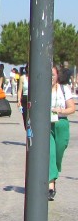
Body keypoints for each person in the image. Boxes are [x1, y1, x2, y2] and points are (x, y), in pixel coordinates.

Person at [49, 65, 75, 200]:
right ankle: (50, 186)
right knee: (50, 153)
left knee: (58, 153)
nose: (51, 77)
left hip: (61, 123)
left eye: (53, 75)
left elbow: (72, 109)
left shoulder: (64, 89)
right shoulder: (41, 89)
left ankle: (53, 174)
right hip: (46, 125)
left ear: (58, 76)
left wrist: (60, 111)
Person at [17, 66, 29, 130]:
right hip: (25, 98)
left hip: (33, 99)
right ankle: (27, 133)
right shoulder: (22, 77)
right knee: (25, 117)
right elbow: (19, 90)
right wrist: (19, 100)